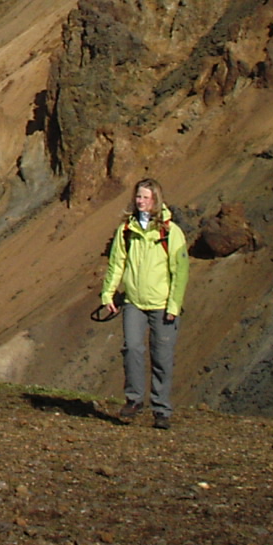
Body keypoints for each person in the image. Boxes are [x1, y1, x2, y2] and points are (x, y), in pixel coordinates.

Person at [99, 177, 190, 430]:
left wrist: (173, 306)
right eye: (138, 196)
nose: (141, 201)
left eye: (146, 197)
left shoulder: (171, 232)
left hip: (162, 305)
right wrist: (108, 294)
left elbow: (180, 271)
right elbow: (116, 263)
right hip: (134, 302)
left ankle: (161, 409)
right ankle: (134, 399)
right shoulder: (126, 230)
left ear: (156, 200)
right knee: (132, 349)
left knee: (162, 357)